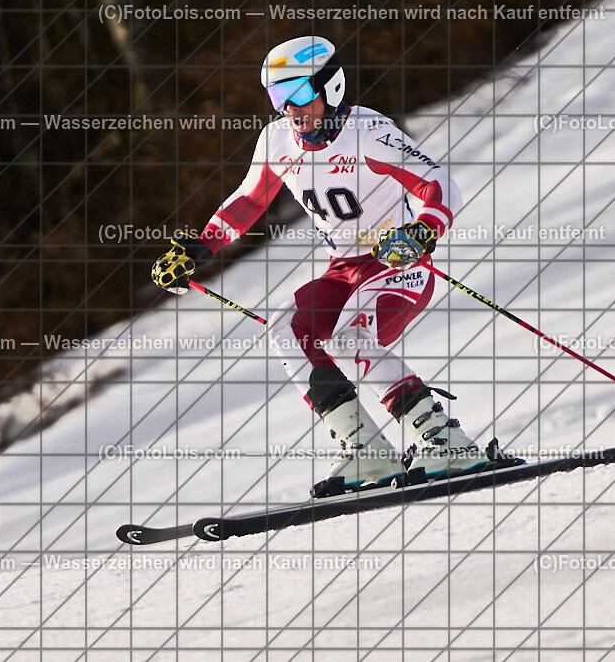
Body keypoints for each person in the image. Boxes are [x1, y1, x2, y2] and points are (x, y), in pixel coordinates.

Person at [152, 36, 488, 491]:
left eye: (299, 94)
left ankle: (447, 443)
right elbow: (249, 201)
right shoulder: (276, 141)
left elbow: (439, 184)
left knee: (352, 337)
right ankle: (367, 451)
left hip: (396, 263)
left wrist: (422, 231)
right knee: (288, 327)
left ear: (330, 87)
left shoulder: (368, 133)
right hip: (343, 270)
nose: (290, 109)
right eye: (277, 98)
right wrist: (199, 248)